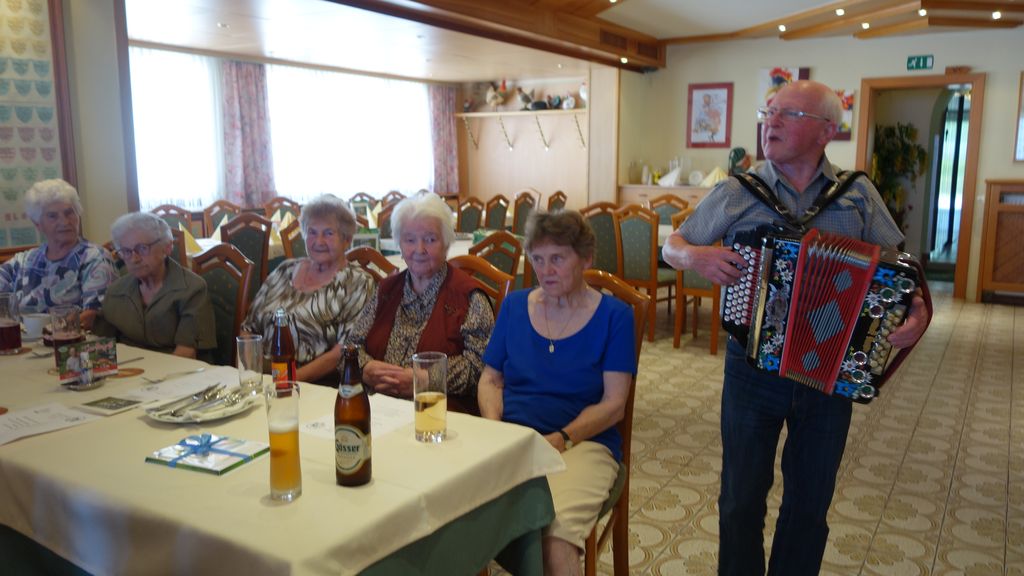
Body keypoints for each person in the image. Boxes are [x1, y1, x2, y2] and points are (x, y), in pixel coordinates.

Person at [663, 80, 931, 576]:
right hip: (751, 370)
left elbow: (900, 268)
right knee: (740, 500)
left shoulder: (856, 194)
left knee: (810, 506)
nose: (771, 122)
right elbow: (672, 245)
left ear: (826, 131)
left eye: (788, 114)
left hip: (829, 375)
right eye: (769, 112)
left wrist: (917, 310)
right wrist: (695, 256)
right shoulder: (738, 190)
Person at [478, 210, 636, 576]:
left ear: (586, 259)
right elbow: (491, 380)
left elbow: (614, 405)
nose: (545, 270)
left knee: (555, 537)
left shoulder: (615, 316)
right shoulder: (515, 306)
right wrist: (496, 430)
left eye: (557, 259)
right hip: (516, 438)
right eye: (537, 259)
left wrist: (562, 438)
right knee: (455, 517)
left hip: (584, 445)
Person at [347, 192, 493, 413]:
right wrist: (364, 368)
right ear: (399, 244)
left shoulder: (469, 298)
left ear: (446, 243)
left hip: (439, 415)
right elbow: (351, 346)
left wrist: (426, 379)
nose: (419, 250)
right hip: (378, 412)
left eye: (430, 239)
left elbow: (481, 368)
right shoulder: (385, 290)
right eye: (410, 240)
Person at [241, 194, 373, 386]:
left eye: (328, 233)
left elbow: (344, 350)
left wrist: (287, 382)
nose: (318, 241)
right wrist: (250, 376)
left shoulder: (357, 282)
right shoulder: (284, 270)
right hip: (264, 378)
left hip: (315, 383)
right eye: (312, 232)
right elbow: (248, 330)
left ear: (347, 240)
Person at [92, 212, 216, 358]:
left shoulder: (192, 289)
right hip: (128, 368)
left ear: (167, 247)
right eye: (126, 251)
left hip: (178, 368)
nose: (134, 259)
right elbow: (102, 344)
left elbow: (186, 353)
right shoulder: (116, 290)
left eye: (142, 248)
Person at [0, 179, 117, 330]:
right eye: (52, 216)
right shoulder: (23, 261)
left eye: (69, 213)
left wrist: (50, 333)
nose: (64, 222)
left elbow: (92, 316)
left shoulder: (95, 258)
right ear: (38, 224)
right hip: (20, 341)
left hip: (70, 340)